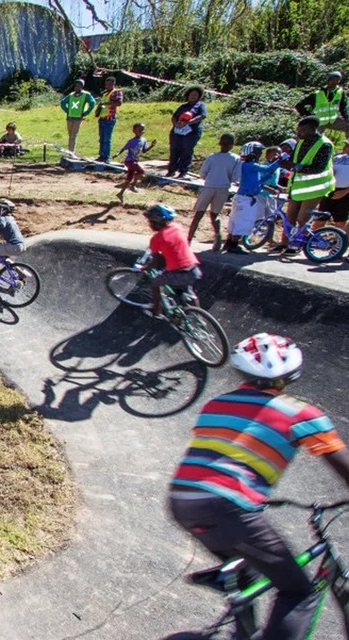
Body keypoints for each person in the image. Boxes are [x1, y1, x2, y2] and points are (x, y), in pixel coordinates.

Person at [169, 332, 349, 640]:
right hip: (227, 507)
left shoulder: (216, 404)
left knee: (245, 571)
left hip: (182, 499)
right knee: (298, 593)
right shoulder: (304, 414)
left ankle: (242, 628)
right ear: (293, 374)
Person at [274, 116, 335, 254]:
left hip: (315, 187)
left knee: (303, 219)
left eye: (302, 130)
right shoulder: (301, 142)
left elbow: (318, 168)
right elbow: (294, 161)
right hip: (298, 187)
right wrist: (285, 161)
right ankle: (284, 243)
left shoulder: (324, 144)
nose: (299, 133)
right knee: (290, 217)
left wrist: (295, 167)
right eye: (298, 130)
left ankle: (297, 246)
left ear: (313, 129)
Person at [141, 204, 200, 320]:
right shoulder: (178, 228)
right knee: (186, 290)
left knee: (155, 282)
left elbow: (156, 262)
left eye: (151, 222)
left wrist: (146, 268)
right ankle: (198, 318)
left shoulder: (157, 239)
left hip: (178, 273)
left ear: (157, 222)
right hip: (194, 270)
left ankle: (156, 311)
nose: (150, 224)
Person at [225, 141, 281, 253]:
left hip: (242, 197)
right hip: (247, 198)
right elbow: (267, 169)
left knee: (235, 220)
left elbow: (258, 181)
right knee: (243, 221)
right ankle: (234, 245)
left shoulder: (246, 166)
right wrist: (281, 161)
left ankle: (229, 243)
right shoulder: (251, 165)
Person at [187, 133, 240, 251]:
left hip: (209, 187)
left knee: (198, 215)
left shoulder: (212, 157)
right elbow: (236, 177)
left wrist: (210, 178)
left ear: (220, 144)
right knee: (214, 214)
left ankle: (188, 240)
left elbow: (203, 173)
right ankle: (217, 237)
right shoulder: (236, 159)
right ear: (232, 145)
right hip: (223, 188)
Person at [167, 87, 208, 178]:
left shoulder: (200, 105)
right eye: (191, 94)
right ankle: (171, 170)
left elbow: (202, 115)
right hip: (178, 132)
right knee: (174, 150)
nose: (193, 96)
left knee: (187, 150)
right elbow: (174, 117)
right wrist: (176, 123)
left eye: (195, 95)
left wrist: (189, 122)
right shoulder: (183, 106)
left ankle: (183, 171)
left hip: (191, 132)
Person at [112, 123, 156, 202]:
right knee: (141, 171)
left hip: (134, 161)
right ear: (134, 131)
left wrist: (151, 146)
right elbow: (123, 149)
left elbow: (144, 151)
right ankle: (133, 185)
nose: (141, 131)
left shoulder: (144, 140)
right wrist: (117, 154)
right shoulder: (131, 141)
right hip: (129, 161)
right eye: (139, 130)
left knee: (129, 177)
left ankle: (120, 193)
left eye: (143, 130)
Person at [318, 140, 349, 231]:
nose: (345, 147)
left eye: (347, 145)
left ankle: (338, 242)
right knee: (320, 219)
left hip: (345, 193)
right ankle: (314, 239)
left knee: (340, 221)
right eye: (346, 145)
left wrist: (345, 191)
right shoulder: (336, 158)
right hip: (330, 190)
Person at [59, 79, 96, 154]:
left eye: (79, 85)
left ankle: (71, 152)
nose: (77, 87)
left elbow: (92, 103)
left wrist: (85, 113)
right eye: (76, 85)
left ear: (82, 86)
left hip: (78, 118)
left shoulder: (86, 95)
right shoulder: (71, 95)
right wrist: (67, 111)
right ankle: (70, 150)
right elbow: (63, 103)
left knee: (73, 135)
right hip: (69, 117)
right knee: (70, 135)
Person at [95, 76, 124, 163]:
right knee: (101, 139)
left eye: (109, 84)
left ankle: (106, 157)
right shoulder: (104, 94)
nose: (107, 85)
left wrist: (106, 103)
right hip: (102, 118)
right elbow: (102, 105)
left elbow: (119, 103)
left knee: (107, 139)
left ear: (113, 84)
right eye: (106, 83)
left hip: (109, 118)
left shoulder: (116, 92)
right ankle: (101, 155)